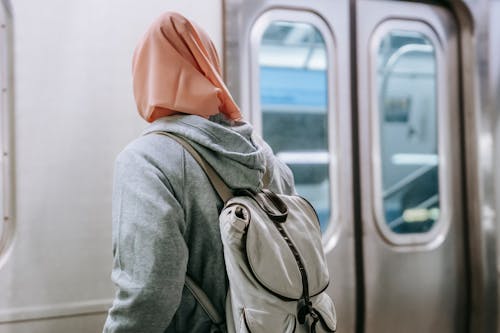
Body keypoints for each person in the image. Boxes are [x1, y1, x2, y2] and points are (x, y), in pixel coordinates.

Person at [102, 12, 295, 332]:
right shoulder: (265, 158)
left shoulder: (145, 160)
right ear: (209, 66)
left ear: (144, 76)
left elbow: (147, 294)